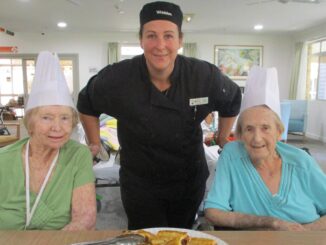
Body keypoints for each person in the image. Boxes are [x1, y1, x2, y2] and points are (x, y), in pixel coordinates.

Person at [77, 1, 241, 229]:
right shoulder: (118, 78)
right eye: (151, 35)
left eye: (168, 36)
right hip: (139, 182)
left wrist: (223, 138)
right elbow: (86, 102)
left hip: (187, 178)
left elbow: (232, 99)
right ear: (141, 39)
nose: (160, 45)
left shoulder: (203, 75)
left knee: (182, 233)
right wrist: (95, 143)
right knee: (146, 235)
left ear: (180, 40)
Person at [204, 67, 326, 231]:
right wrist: (271, 223)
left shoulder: (301, 161)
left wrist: (304, 233)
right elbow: (213, 212)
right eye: (249, 129)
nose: (257, 138)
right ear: (239, 135)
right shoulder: (232, 156)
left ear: (279, 132)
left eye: (265, 128)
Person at [0, 51, 96, 230]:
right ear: (30, 123)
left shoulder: (78, 155)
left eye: (65, 118)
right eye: (46, 117)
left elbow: (85, 220)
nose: (57, 127)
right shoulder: (3, 160)